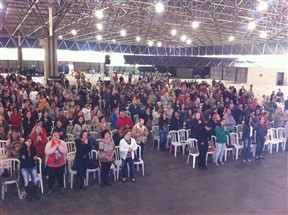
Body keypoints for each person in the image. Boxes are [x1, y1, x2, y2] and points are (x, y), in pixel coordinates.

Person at [45, 130, 68, 196]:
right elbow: (47, 152)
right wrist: (55, 147)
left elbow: (65, 151)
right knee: (51, 177)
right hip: (51, 165)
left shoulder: (62, 142)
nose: (56, 137)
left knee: (61, 176)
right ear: (52, 137)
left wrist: (59, 146)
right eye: (54, 135)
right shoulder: (49, 143)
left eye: (57, 135)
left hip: (61, 164)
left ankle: (61, 187)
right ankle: (50, 188)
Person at [19, 137, 40, 201]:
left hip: (33, 166)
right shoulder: (22, 149)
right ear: (25, 142)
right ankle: (28, 194)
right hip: (24, 167)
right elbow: (23, 160)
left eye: (31, 141)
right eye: (28, 141)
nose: (30, 143)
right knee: (26, 182)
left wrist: (28, 159)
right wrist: (31, 159)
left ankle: (35, 193)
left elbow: (35, 157)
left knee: (34, 181)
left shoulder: (33, 148)